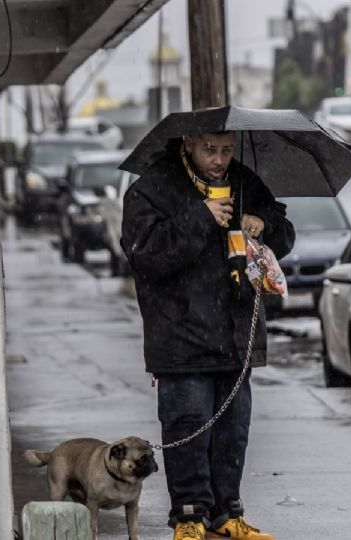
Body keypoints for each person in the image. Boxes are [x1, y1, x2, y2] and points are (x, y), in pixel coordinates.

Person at [121, 131, 295, 540]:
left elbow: (285, 234)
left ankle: (226, 515)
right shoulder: (152, 189)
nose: (220, 159)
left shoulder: (244, 182)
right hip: (179, 338)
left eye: (227, 149)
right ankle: (188, 517)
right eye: (209, 150)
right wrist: (200, 217)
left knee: (233, 434)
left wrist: (264, 223)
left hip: (236, 336)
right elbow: (145, 256)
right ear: (187, 145)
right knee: (188, 428)